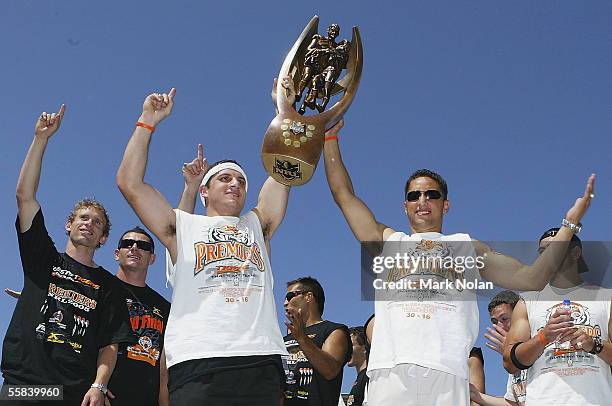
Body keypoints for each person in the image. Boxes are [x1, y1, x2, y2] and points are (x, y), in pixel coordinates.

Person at [322, 120, 595, 405]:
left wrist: (570, 224)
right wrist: (330, 137)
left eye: (432, 194)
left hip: (447, 373)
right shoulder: (388, 241)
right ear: (405, 206)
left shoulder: (468, 247)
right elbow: (344, 195)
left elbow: (531, 278)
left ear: (445, 204)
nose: (422, 200)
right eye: (414, 195)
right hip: (391, 373)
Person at [116, 82, 294, 406]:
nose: (235, 184)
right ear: (204, 192)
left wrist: (285, 112)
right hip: (199, 363)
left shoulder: (258, 225)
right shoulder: (183, 226)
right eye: (225, 178)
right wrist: (147, 122)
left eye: (241, 181)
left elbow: (284, 170)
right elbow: (130, 183)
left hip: (260, 361)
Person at [2, 105, 133, 405]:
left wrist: (99, 386)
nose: (89, 224)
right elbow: (25, 197)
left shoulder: (110, 287)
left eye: (97, 222)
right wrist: (40, 139)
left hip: (73, 393)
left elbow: (110, 344)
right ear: (69, 224)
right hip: (24, 386)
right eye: (83, 218)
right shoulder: (42, 260)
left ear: (103, 238)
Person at [504, 229, 612, 405]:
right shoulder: (527, 300)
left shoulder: (607, 298)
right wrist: (543, 337)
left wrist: (594, 344)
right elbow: (510, 362)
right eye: (542, 252)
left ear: (575, 252)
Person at [108, 227, 171, 406]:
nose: (134, 248)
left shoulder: (164, 307)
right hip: (103, 395)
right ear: (116, 253)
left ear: (152, 259)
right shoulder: (100, 289)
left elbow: (163, 365)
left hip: (146, 398)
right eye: (127, 244)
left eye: (143, 246)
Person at [283, 277, 351, 405]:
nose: (285, 303)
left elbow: (330, 370)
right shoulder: (283, 340)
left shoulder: (333, 331)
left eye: (290, 296)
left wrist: (302, 339)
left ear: (308, 297)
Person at [470, 290, 525, 406]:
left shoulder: (539, 345)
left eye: (504, 319)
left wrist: (514, 354)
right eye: (494, 322)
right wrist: (476, 395)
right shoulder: (508, 360)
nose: (498, 326)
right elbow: (513, 403)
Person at [345, 327, 368, 406]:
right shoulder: (360, 378)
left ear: (365, 348)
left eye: (350, 346)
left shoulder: (369, 377)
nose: (346, 350)